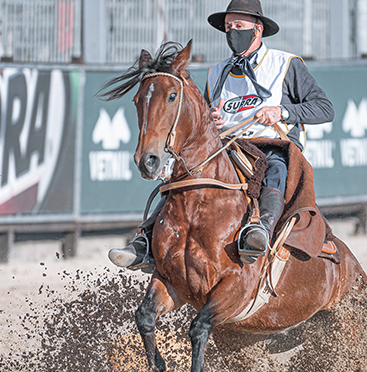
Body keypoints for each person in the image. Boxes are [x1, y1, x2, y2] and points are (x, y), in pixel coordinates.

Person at [109, 0, 334, 270]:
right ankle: (145, 239)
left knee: (276, 168)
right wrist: (211, 121)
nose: (233, 32)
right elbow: (200, 125)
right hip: (226, 146)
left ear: (258, 29)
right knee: (182, 175)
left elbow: (325, 108)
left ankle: (261, 229)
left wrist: (281, 112)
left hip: (271, 144)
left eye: (239, 26)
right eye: (229, 27)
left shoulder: (285, 64)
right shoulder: (215, 73)